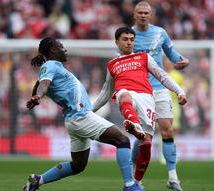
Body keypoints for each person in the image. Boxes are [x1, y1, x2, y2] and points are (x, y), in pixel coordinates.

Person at [22, 37, 143, 191]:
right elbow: (44, 84)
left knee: (78, 165)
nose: (65, 49)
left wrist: (36, 95)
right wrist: (38, 95)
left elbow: (41, 83)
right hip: (81, 116)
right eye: (61, 47)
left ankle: (37, 181)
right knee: (122, 140)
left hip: (74, 120)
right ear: (53, 50)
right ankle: (130, 185)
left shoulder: (52, 67)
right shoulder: (51, 65)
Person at [93, 27, 187, 189]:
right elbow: (105, 92)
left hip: (147, 100)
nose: (129, 42)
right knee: (123, 94)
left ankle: (136, 182)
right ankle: (134, 123)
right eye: (125, 39)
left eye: (131, 39)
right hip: (128, 97)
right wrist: (90, 110)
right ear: (116, 42)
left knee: (146, 143)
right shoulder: (112, 64)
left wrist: (179, 90)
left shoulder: (144, 57)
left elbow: (162, 75)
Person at [132, 1, 190, 191]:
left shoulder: (160, 33)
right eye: (140, 12)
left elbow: (172, 54)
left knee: (167, 130)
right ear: (134, 14)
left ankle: (173, 178)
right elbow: (121, 60)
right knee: (143, 137)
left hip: (160, 87)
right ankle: (135, 179)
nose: (143, 15)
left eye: (146, 13)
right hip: (139, 90)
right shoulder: (129, 35)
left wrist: (181, 61)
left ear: (151, 15)